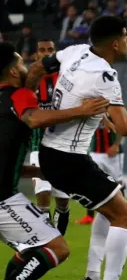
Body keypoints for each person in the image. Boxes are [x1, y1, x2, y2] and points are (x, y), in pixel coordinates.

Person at [25, 16, 127, 280]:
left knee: (113, 208)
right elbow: (126, 127)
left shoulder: (74, 51)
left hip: (58, 153)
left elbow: (37, 68)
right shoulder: (106, 76)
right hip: (68, 159)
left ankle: (94, 277)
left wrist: (23, 106)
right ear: (116, 42)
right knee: (125, 215)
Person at [0, 42, 109, 280]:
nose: (27, 69)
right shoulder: (19, 94)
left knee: (27, 248)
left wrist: (33, 171)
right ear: (13, 71)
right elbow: (34, 118)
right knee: (57, 248)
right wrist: (81, 111)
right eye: (22, 65)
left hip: (7, 192)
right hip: (1, 198)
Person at [29, 39, 71, 236]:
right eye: (41, 50)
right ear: (36, 54)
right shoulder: (28, 79)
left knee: (62, 202)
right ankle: (46, 242)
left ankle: (58, 238)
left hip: (62, 147)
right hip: (38, 146)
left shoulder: (65, 78)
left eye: (50, 50)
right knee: (42, 196)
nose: (46, 53)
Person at [77, 117, 124, 225]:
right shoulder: (93, 106)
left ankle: (122, 212)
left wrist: (116, 145)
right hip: (95, 152)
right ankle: (89, 216)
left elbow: (122, 126)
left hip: (113, 153)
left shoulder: (113, 108)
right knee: (91, 181)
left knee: (118, 182)